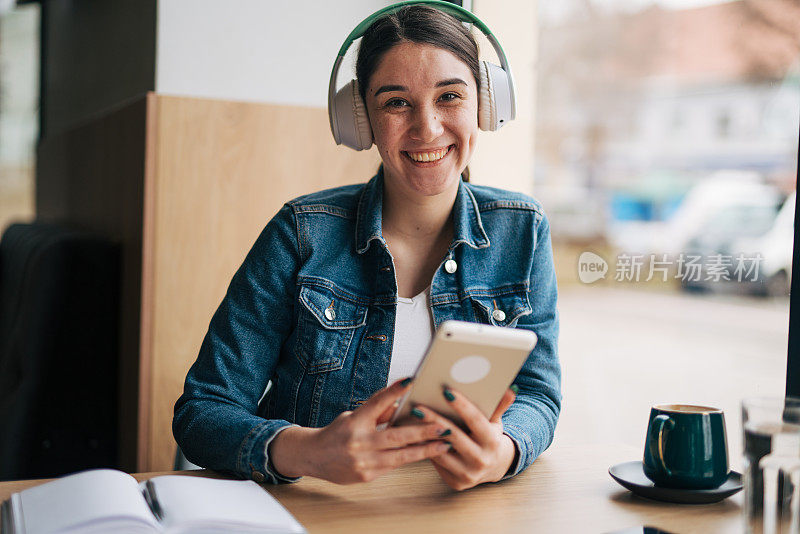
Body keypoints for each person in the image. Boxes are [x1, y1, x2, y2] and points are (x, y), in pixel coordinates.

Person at [173, 3, 561, 491]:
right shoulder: (299, 233)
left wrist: (503, 452)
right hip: (317, 511)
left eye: (450, 96)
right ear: (360, 120)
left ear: (485, 104)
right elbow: (202, 411)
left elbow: (538, 394)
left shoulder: (522, 230)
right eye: (396, 102)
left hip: (452, 510)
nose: (428, 128)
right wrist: (307, 452)